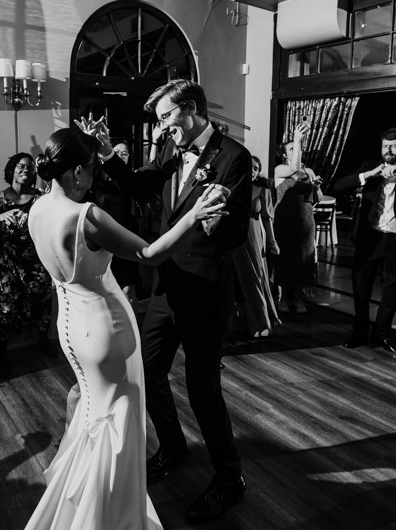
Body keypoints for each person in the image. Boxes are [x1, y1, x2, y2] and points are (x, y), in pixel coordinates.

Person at [23, 127, 227, 530]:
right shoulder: (88, 217)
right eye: (94, 170)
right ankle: (104, 516)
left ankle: (78, 492)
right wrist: (194, 214)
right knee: (115, 419)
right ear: (79, 172)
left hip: (70, 325)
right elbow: (149, 254)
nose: (95, 178)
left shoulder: (38, 210)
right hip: (104, 326)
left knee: (88, 403)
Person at [83, 79, 251, 525]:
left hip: (204, 290)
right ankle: (173, 447)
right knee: (149, 373)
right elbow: (140, 188)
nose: (161, 130)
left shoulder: (234, 157)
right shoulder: (171, 151)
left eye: (165, 119)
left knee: (202, 391)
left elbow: (236, 233)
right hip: (166, 286)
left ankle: (229, 479)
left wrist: (215, 220)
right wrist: (105, 153)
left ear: (191, 109)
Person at [333, 127, 396, 356]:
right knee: (360, 288)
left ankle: (382, 333)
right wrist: (368, 175)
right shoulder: (370, 165)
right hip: (370, 237)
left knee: (392, 291)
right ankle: (359, 331)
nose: (388, 150)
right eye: (385, 146)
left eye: (394, 146)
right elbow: (338, 186)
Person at [0, 152, 55, 379]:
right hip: (6, 264)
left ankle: (43, 341)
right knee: (6, 311)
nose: (26, 169)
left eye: (30, 167)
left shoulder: (43, 199)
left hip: (35, 262)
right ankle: (1, 355)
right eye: (21, 166)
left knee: (42, 304)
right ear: (12, 170)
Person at [87, 139, 140, 315]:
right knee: (103, 291)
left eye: (124, 153)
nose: (120, 155)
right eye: (116, 151)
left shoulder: (131, 181)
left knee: (127, 291)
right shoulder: (95, 179)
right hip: (102, 243)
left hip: (126, 241)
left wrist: (154, 142)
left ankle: (134, 335)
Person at [273, 123, 321, 315]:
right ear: (285, 155)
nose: (296, 150)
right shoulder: (280, 169)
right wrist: (298, 139)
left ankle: (299, 297)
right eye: (291, 149)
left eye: (297, 147)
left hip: (305, 219)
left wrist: (316, 186)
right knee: (286, 258)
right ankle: (284, 298)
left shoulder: (309, 172)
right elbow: (294, 171)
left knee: (304, 259)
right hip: (285, 219)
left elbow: (316, 199)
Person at [230, 156, 280, 338]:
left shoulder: (263, 188)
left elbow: (267, 218)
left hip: (253, 238)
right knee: (235, 281)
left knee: (254, 279)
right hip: (233, 238)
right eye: (250, 167)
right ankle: (236, 322)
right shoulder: (231, 185)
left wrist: (272, 243)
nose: (253, 171)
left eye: (256, 168)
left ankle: (258, 323)